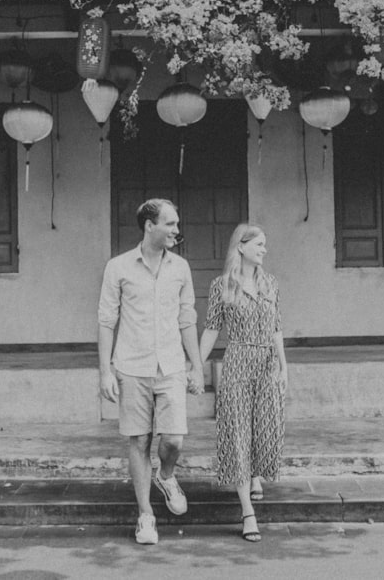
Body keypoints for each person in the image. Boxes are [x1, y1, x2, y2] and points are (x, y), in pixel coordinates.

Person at [98, 198, 204, 545]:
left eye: (176, 224)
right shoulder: (118, 267)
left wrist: (196, 367)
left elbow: (187, 318)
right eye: (170, 224)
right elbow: (106, 321)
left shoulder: (180, 268)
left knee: (173, 439)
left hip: (171, 365)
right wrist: (105, 372)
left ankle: (167, 475)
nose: (176, 230)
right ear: (149, 226)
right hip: (131, 365)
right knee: (139, 440)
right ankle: (145, 515)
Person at [198, 223, 288, 543]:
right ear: (242, 247)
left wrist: (283, 365)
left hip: (266, 363)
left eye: (265, 244)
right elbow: (211, 329)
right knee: (237, 430)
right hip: (237, 361)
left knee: (263, 428)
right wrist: (195, 366)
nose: (264, 249)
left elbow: (276, 327)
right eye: (259, 244)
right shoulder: (223, 285)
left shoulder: (270, 284)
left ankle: (254, 476)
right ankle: (247, 511)